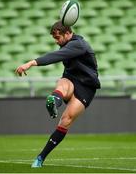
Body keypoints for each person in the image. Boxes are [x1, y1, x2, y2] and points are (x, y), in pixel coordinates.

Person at [15, 20, 101, 167]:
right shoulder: (67, 43)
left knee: (66, 120)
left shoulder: (78, 44)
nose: (56, 41)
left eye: (57, 37)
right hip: (71, 79)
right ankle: (54, 101)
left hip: (87, 87)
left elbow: (55, 56)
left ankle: (41, 157)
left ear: (67, 33)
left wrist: (30, 63)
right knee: (63, 83)